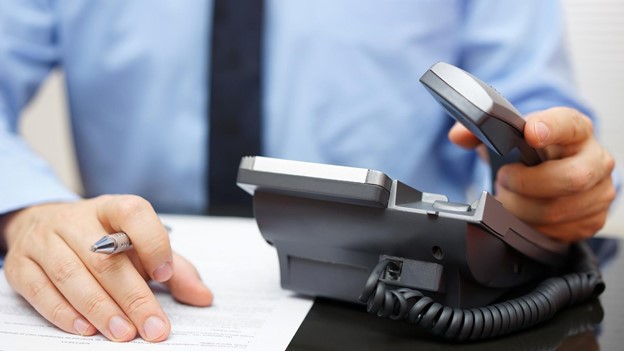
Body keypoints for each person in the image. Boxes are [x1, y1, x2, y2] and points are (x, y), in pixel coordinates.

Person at [0, 0, 618, 343]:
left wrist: (552, 183)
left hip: (403, 308)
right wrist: (26, 209)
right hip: (144, 281)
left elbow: (535, 114)